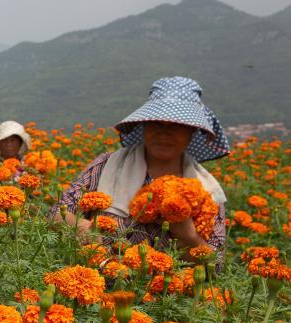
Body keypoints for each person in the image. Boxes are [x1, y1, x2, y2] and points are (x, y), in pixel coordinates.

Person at [52, 76, 229, 260]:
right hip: (100, 283)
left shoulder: (208, 191)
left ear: (192, 131)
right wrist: (81, 227)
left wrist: (188, 236)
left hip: (170, 288)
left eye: (176, 125)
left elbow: (216, 265)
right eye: (156, 122)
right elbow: (56, 214)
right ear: (143, 124)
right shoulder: (106, 165)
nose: (164, 132)